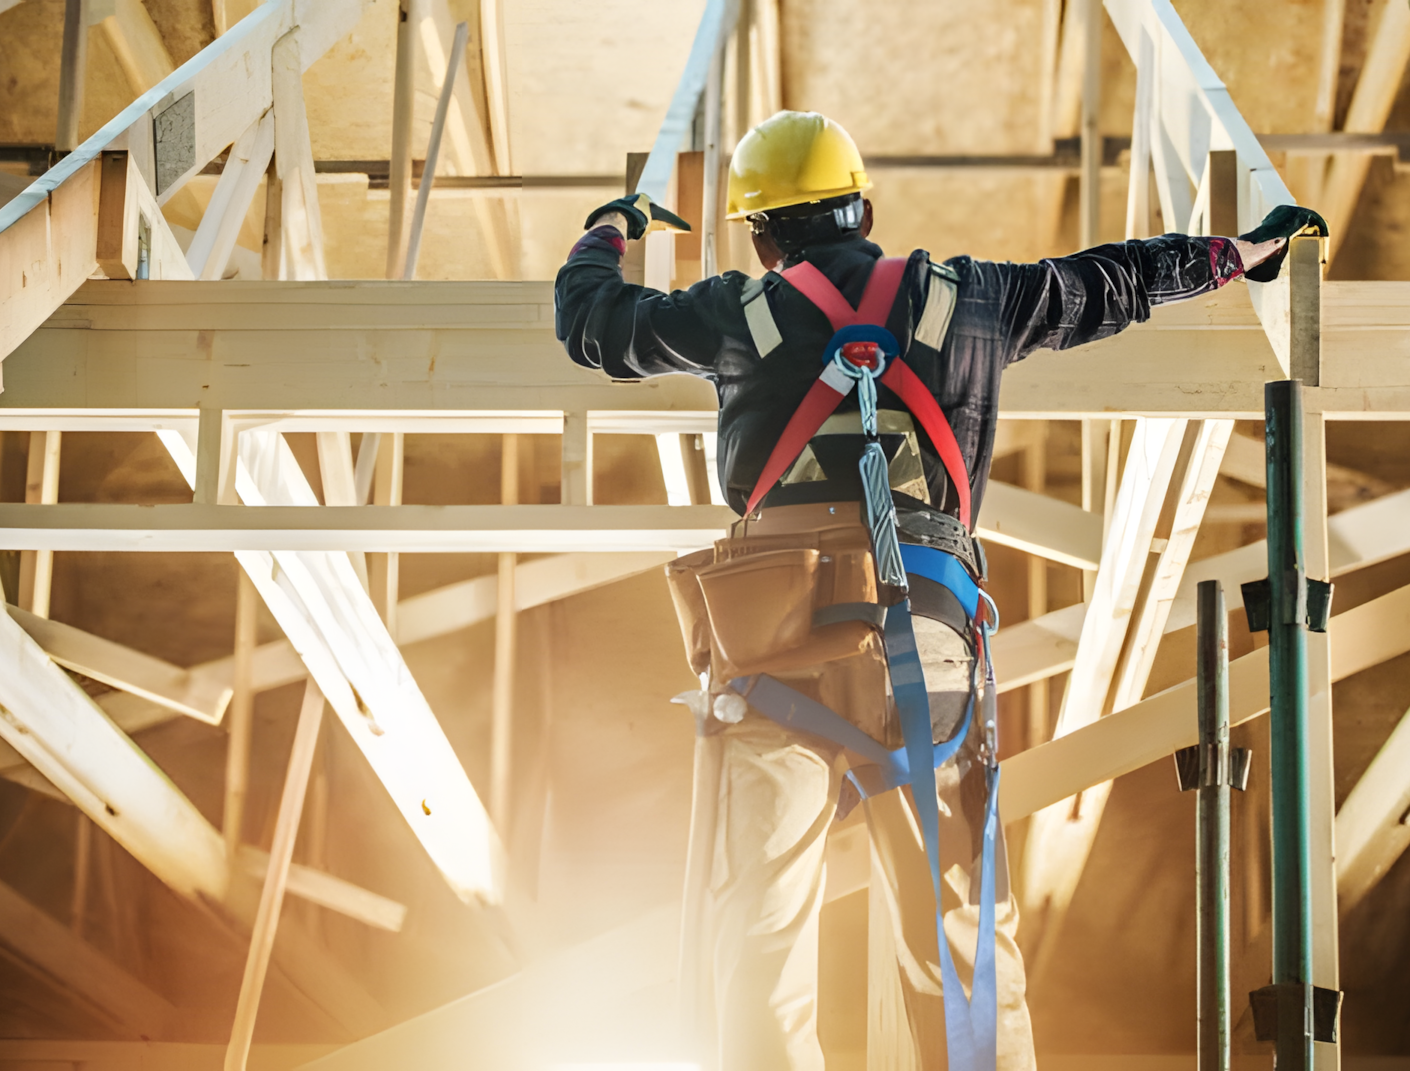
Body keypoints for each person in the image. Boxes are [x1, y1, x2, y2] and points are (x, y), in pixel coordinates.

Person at [556, 110, 1315, 1071]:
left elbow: (591, 324)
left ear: (762, 232)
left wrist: (609, 227)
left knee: (758, 928)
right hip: (925, 646)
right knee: (958, 934)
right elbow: (1113, 281)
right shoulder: (970, 301)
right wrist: (1241, 252)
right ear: (864, 208)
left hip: (769, 649)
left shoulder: (733, 312)